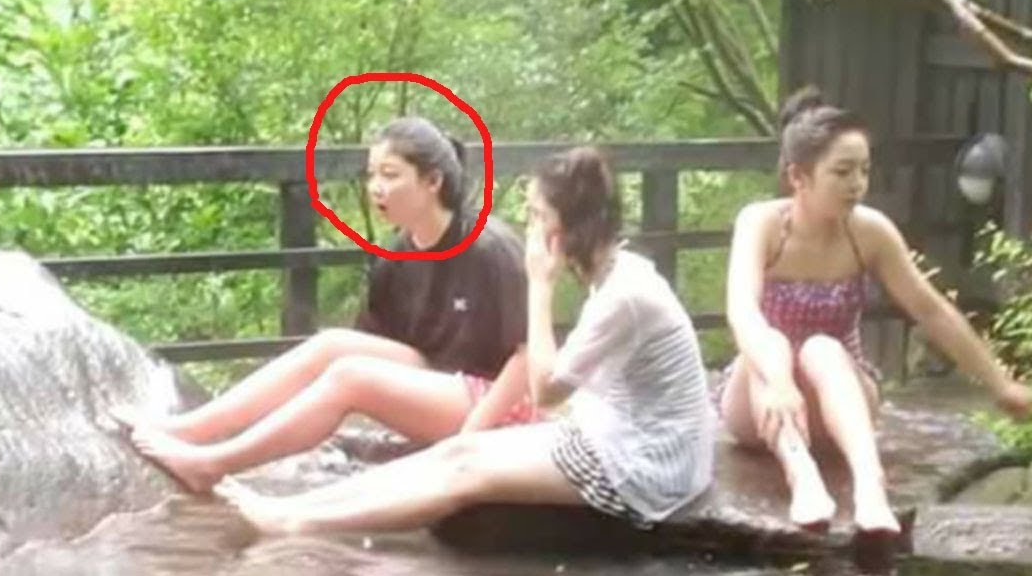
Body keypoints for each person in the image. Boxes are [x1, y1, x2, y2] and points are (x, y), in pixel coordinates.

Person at [220, 146, 717, 535]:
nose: (529, 228)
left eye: (536, 215)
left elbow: (545, 390)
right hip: (618, 436)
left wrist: (540, 286)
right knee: (454, 453)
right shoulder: (618, 275)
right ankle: (294, 510)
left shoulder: (625, 294)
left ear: (566, 227)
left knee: (465, 471)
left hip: (644, 469)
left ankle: (301, 522)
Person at [124, 116, 533, 492]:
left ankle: (211, 465)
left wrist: (466, 443)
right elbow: (372, 348)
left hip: (501, 402)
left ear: (433, 181)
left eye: (390, 175)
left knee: (350, 377)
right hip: (439, 379)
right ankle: (189, 429)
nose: (376, 188)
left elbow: (527, 357)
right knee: (332, 345)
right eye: (371, 175)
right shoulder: (396, 255)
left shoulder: (489, 248)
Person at [720, 86, 1032, 536]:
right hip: (764, 398)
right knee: (772, 344)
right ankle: (801, 476)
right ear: (798, 177)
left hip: (840, 395)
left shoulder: (871, 232)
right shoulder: (762, 223)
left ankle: (870, 485)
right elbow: (742, 310)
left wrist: (1000, 383)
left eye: (864, 170)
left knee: (821, 348)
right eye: (842, 172)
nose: (857, 184)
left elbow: (931, 310)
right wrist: (780, 379)